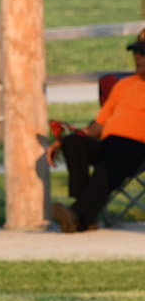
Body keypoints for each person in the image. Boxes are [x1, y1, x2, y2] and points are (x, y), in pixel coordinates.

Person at [50, 31, 145, 234]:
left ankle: (78, 216)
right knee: (73, 143)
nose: (138, 57)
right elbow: (98, 125)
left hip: (137, 148)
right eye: (136, 53)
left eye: (143, 54)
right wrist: (66, 139)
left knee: (105, 169)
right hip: (109, 143)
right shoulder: (124, 85)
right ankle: (83, 213)